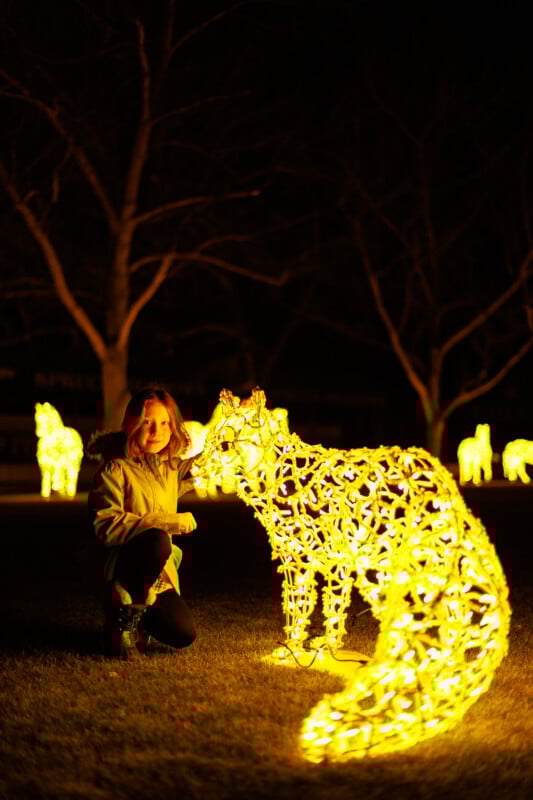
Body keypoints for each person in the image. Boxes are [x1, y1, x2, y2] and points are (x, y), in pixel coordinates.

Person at [87, 385, 198, 660]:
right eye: (147, 422)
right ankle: (120, 623)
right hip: (124, 566)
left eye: (164, 423)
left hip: (158, 573)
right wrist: (168, 521)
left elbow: (211, 463)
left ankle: (143, 617)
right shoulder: (115, 469)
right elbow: (105, 526)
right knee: (156, 538)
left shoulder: (169, 467)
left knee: (183, 633)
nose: (156, 431)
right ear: (132, 423)